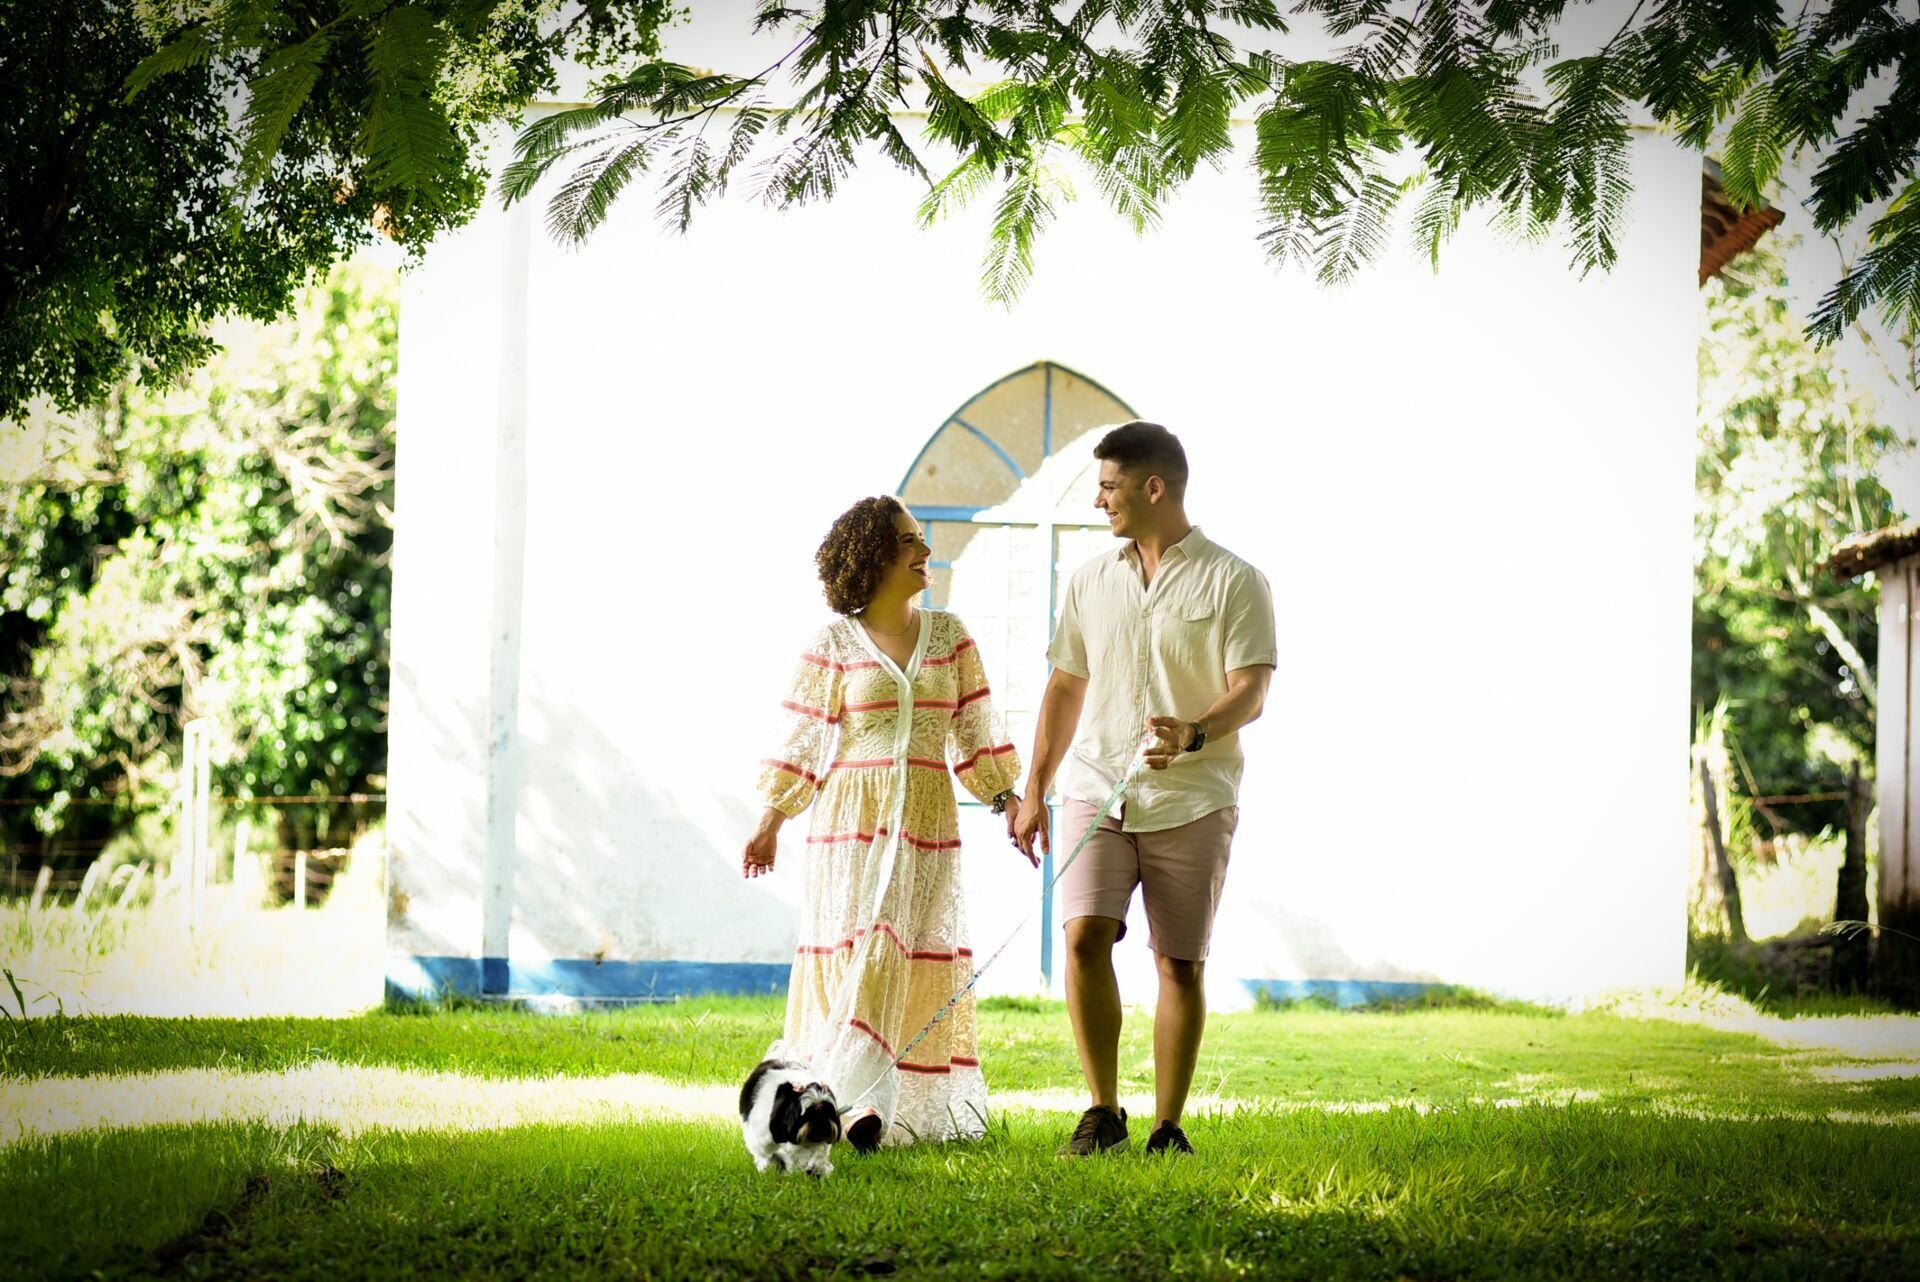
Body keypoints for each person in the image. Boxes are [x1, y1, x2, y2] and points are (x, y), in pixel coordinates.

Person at [1011, 421, 1276, 1157]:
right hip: (1097, 786)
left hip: (1192, 797)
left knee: (1178, 963)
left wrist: (1193, 732)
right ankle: (1103, 1112)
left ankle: (1167, 1126)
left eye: (1108, 487)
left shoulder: (1235, 580)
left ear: (1152, 487)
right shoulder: (1091, 581)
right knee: (1084, 935)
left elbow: (1250, 690)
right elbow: (1065, 687)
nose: (1099, 502)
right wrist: (1034, 788)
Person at [743, 495, 1031, 1152]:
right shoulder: (833, 643)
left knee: (902, 953)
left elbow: (976, 734)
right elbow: (802, 738)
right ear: (874, 554)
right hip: (851, 822)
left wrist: (1011, 801)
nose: (923, 550)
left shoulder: (951, 636)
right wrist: (770, 822)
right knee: (860, 950)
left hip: (927, 824)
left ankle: (860, 1099)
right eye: (908, 540)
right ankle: (859, 1101)